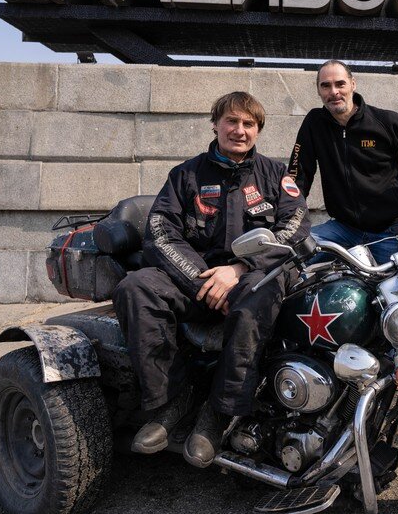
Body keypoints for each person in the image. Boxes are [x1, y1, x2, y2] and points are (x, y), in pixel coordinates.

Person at [112, 91, 310, 468]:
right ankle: (173, 402)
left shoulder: (275, 175)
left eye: (248, 124)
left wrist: (238, 270)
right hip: (196, 280)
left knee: (258, 294)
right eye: (231, 121)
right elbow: (161, 233)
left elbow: (296, 228)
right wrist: (204, 281)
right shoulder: (185, 175)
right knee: (136, 288)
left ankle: (219, 412)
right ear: (215, 124)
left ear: (258, 130)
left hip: (252, 278)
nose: (239, 130)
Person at [287, 60, 398, 264]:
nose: (334, 92)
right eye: (326, 86)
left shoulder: (385, 120)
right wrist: (293, 218)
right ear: (319, 91)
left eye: (340, 84)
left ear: (353, 84)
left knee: (395, 284)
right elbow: (298, 174)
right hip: (342, 229)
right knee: (288, 256)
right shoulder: (314, 123)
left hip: (389, 232)